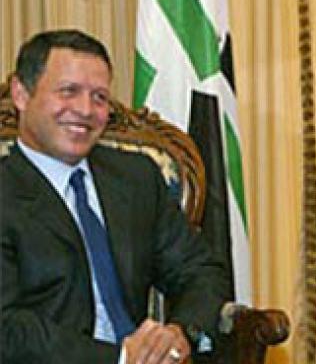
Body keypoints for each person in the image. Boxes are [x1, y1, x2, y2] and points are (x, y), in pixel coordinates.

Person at [1, 30, 229, 363]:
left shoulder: (136, 177)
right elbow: (8, 328)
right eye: (68, 91)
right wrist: (120, 357)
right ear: (21, 94)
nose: (85, 110)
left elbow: (200, 270)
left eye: (99, 97)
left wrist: (180, 333)